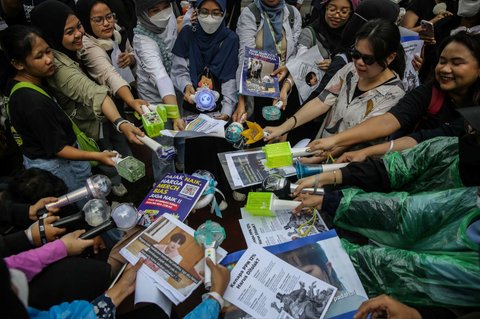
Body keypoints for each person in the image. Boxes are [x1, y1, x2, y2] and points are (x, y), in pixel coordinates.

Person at [28, 0, 145, 197]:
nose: (79, 34)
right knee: (105, 151)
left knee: (120, 143)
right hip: (88, 124)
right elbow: (92, 91)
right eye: (69, 32)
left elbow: (107, 73)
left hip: (106, 112)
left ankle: (133, 176)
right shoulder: (59, 67)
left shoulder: (80, 44)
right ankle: (117, 186)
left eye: (79, 26)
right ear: (52, 34)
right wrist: (121, 121)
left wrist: (129, 105)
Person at [305, 31, 480, 161]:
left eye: (456, 63)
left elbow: (428, 138)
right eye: (442, 61)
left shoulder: (394, 91)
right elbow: (389, 120)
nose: (445, 69)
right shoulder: (429, 93)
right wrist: (333, 141)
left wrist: (366, 151)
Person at [0, 25, 117, 193]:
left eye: (48, 51)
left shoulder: (16, 85)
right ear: (18, 63)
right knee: (82, 204)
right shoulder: (33, 103)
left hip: (37, 160)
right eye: (39, 56)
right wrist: (98, 156)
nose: (49, 59)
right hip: (60, 168)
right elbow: (59, 149)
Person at [264, 19, 406, 157]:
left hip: (347, 167)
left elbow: (359, 136)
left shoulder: (394, 94)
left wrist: (313, 159)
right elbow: (321, 102)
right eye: (355, 55)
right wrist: (282, 128)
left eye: (368, 59)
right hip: (317, 152)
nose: (359, 63)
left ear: (389, 58)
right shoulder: (350, 71)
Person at [133, 0, 185, 181]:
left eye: (165, 7)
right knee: (163, 147)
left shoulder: (168, 17)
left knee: (180, 134)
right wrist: (175, 115)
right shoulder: (142, 39)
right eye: (154, 10)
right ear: (143, 14)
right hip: (153, 100)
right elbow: (160, 76)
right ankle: (165, 186)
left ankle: (181, 168)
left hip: (175, 88)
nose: (163, 14)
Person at [231, 0, 302, 127]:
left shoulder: (293, 14)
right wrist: (241, 100)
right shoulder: (251, 13)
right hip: (257, 84)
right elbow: (244, 57)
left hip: (285, 82)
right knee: (258, 130)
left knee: (282, 131)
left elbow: (296, 53)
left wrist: (286, 73)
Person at [76, 0, 146, 115]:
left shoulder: (118, 32)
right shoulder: (87, 46)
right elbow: (109, 75)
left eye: (109, 17)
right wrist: (131, 101)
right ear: (85, 22)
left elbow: (132, 52)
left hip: (130, 95)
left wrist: (131, 59)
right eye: (98, 20)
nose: (106, 23)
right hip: (108, 109)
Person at [171, 0, 239, 120]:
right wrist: (186, 86)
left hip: (218, 110)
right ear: (197, 11)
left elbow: (230, 78)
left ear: (224, 14)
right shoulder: (187, 34)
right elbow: (178, 69)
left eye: (216, 13)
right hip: (190, 108)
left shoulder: (230, 39)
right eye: (204, 12)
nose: (209, 18)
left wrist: (227, 110)